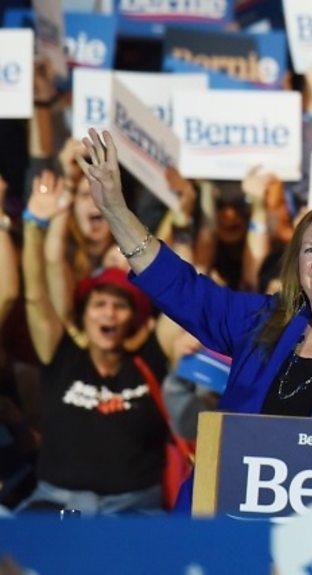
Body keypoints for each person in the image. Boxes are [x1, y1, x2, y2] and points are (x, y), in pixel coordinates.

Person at [74, 129, 312, 508]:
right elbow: (180, 286)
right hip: (225, 517)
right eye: (310, 249)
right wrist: (116, 211)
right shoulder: (261, 320)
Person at [21, 169, 169, 513]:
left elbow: (182, 290)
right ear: (83, 316)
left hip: (134, 512)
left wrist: (184, 211)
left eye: (120, 306)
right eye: (99, 304)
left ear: (134, 319)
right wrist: (35, 225)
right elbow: (35, 296)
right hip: (55, 505)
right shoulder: (61, 354)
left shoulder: (149, 359)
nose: (109, 314)